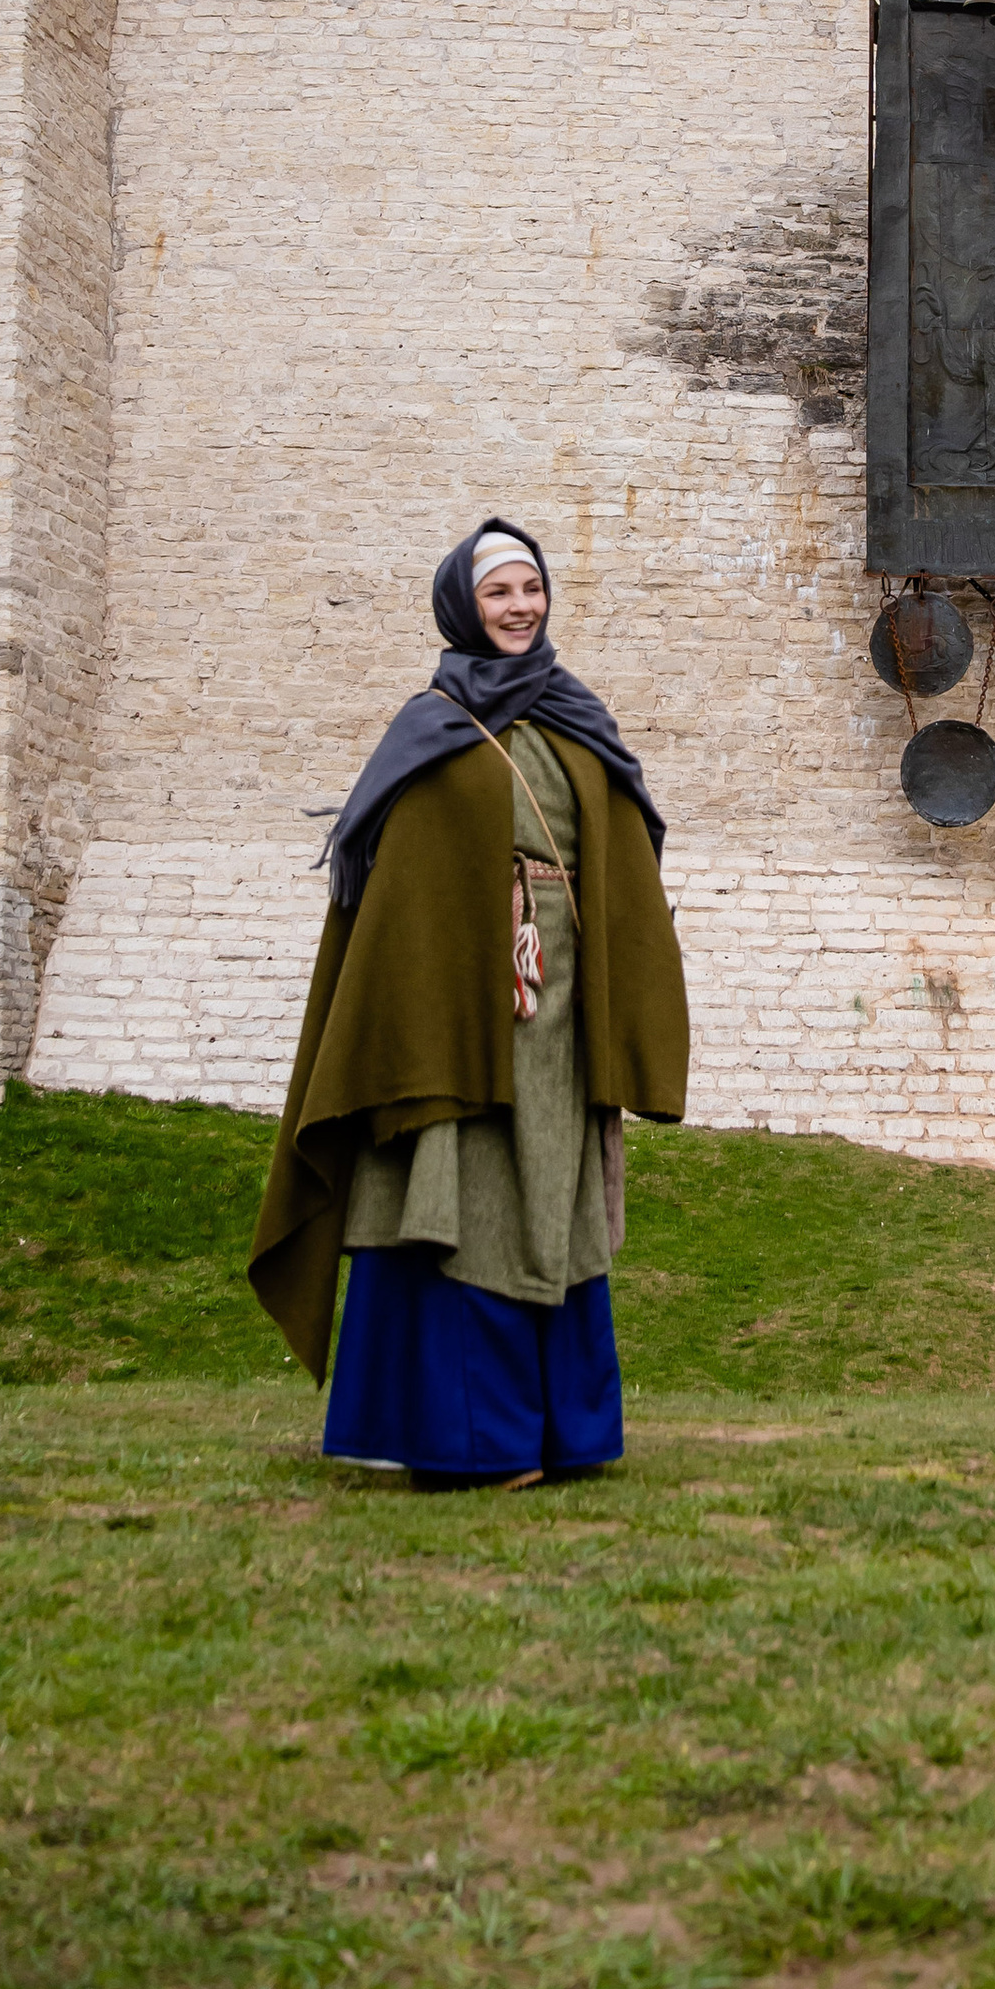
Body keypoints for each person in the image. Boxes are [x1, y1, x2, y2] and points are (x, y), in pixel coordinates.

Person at [249, 520, 687, 1485]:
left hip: (561, 1017)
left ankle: (566, 1436)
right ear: (462, 605)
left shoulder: (578, 718)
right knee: (462, 1196)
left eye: (531, 587)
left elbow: (626, 850)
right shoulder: (432, 727)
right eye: (499, 593)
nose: (520, 607)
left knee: (553, 1200)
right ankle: (472, 1441)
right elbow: (396, 889)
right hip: (454, 1019)